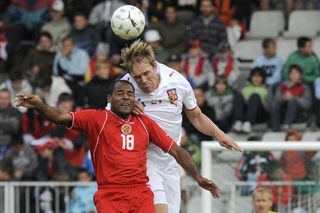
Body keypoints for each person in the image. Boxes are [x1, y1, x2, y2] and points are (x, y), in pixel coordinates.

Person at [16, 80, 220, 213]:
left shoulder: (145, 123)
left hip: (140, 194)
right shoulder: (97, 119)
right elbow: (60, 116)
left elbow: (176, 150)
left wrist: (198, 177)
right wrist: (40, 106)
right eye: (120, 93)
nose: (125, 97)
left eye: (130, 94)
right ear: (109, 98)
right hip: (110, 195)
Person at [118, 40, 242, 213]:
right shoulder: (124, 86)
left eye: (146, 73)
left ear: (155, 65)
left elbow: (196, 116)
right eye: (137, 77)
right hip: (143, 160)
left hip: (171, 160)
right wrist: (123, 108)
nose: (143, 80)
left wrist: (219, 134)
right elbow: (107, 122)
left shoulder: (177, 81)